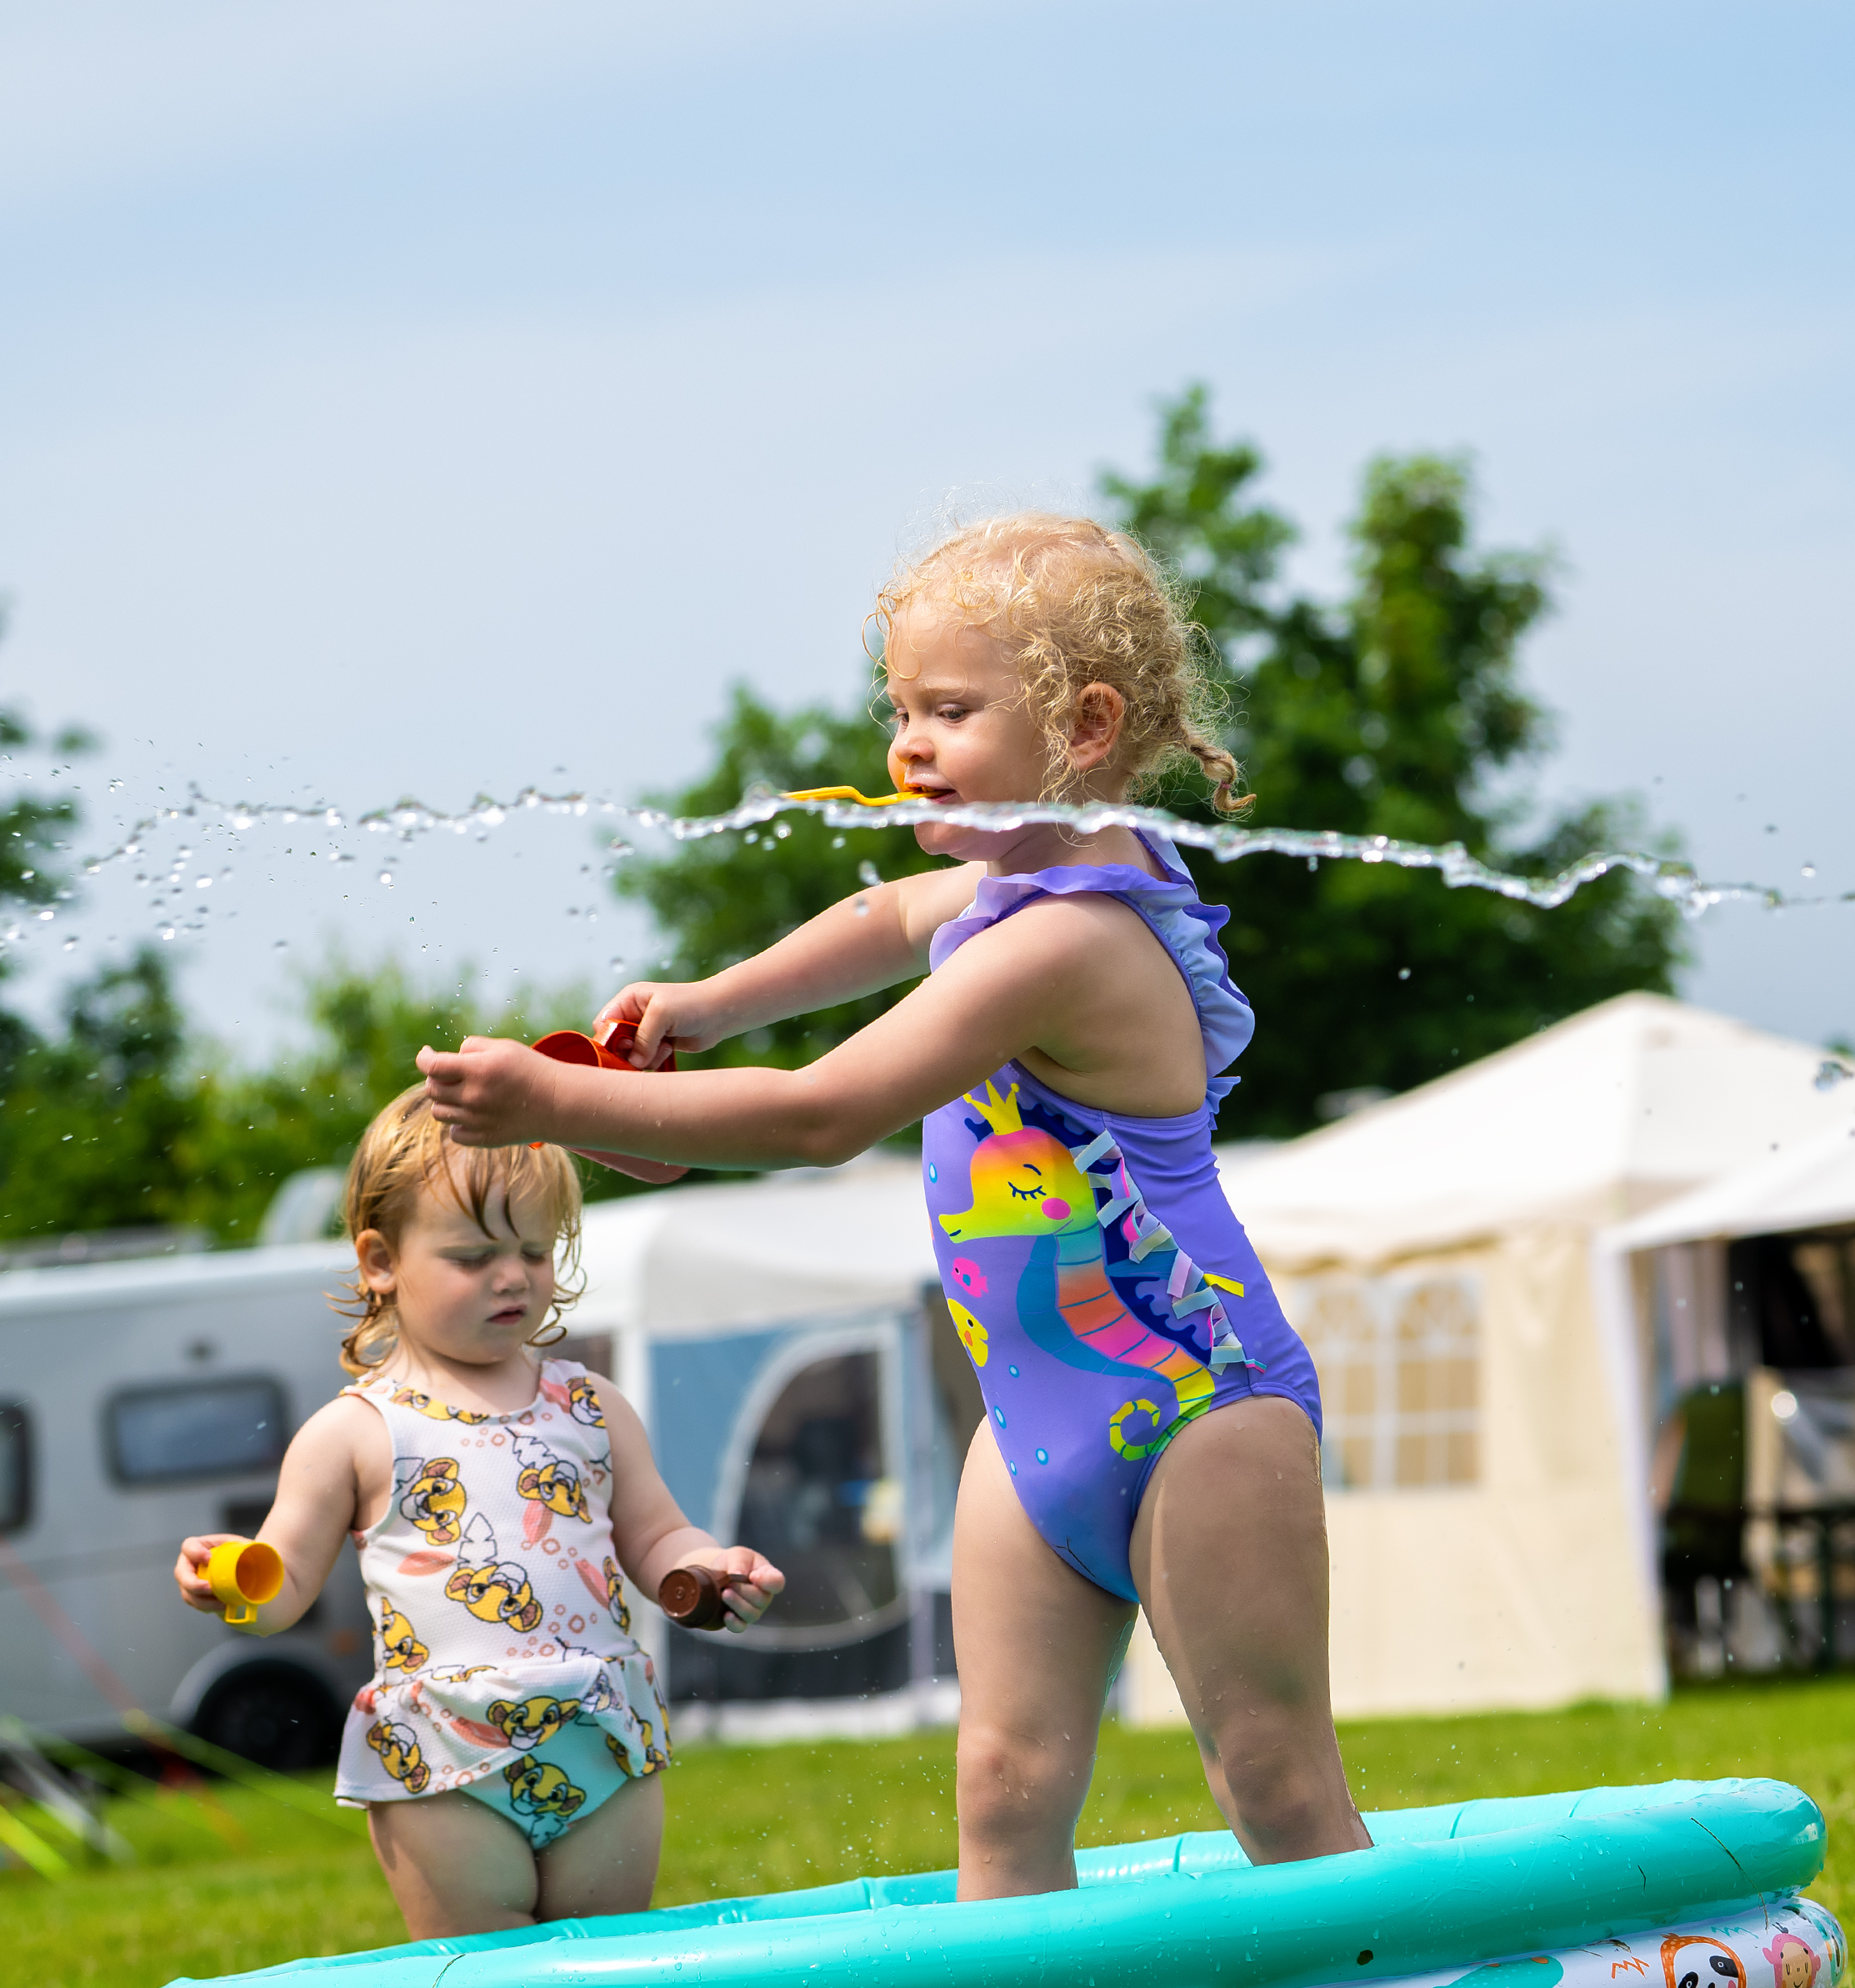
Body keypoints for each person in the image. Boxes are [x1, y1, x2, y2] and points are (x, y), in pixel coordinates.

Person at [420, 513, 1369, 1899]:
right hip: (1035, 1418)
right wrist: (704, 1004)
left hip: (1198, 1403)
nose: (904, 746)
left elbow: (822, 1115)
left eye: (949, 710)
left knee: (1271, 1775)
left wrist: (555, 1106)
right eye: (897, 711)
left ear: (1085, 725)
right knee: (1001, 1786)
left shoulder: (1067, 939)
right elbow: (875, 923)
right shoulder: (998, 893)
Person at [175, 1087, 782, 1935]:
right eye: (473, 1256)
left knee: (601, 1980)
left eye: (535, 1252)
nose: (512, 1276)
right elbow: (283, 1586)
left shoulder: (590, 1405)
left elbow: (655, 1536)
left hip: (597, 1730)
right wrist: (234, 1580)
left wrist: (704, 1569)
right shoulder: (353, 1431)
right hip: (443, 1755)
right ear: (380, 1261)